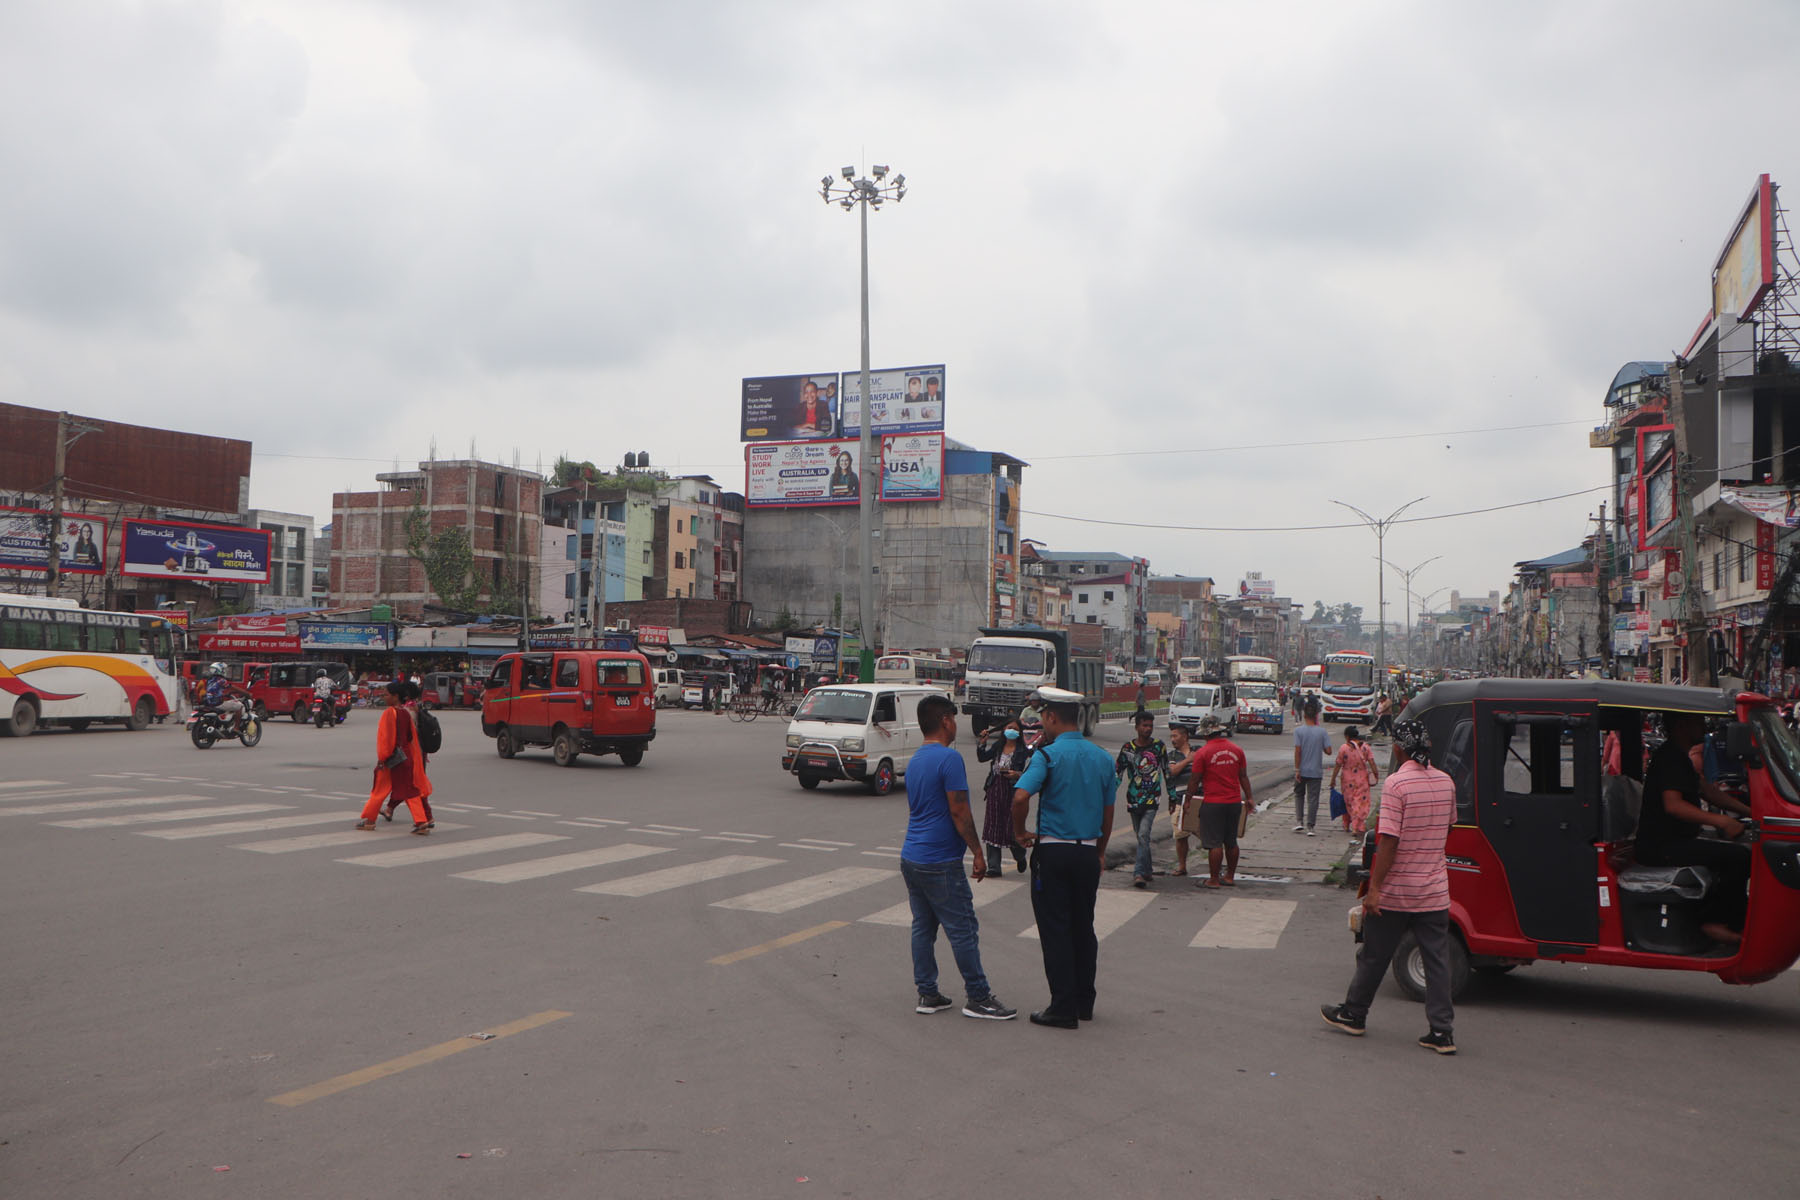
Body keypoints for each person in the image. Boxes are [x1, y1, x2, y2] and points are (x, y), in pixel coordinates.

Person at [1321, 721, 1458, 1054]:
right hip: (1435, 890)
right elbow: (1448, 829)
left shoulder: (1398, 784)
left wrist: (1375, 889)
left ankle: (1354, 1014)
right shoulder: (1446, 782)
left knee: (1374, 955)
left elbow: (1389, 842)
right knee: (1437, 961)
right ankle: (1442, 1033)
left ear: (1398, 748)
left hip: (1397, 890)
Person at [898, 694, 1016, 1021]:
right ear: (946, 721)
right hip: (939, 861)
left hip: (912, 856)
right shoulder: (949, 759)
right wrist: (978, 852)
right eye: (953, 717)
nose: (956, 723)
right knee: (963, 928)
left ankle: (928, 992)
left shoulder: (917, 758)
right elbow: (959, 811)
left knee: (923, 926)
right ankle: (978, 997)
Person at [1011, 686, 1117, 1029]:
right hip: (1086, 852)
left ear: (1053, 717)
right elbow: (1108, 812)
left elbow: (1020, 796)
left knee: (1056, 929)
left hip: (1053, 852)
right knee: (1083, 927)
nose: (1042, 723)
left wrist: (1019, 833)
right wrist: (1100, 852)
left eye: (1043, 717)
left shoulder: (1047, 756)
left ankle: (1062, 1007)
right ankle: (1085, 1002)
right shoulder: (1102, 757)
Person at [1635, 711, 1753, 944]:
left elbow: (1709, 792)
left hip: (1675, 841)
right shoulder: (1670, 758)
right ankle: (1714, 921)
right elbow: (1673, 805)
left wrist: (1751, 812)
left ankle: (1725, 918)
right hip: (1661, 845)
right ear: (1681, 726)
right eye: (1698, 722)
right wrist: (1721, 821)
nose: (1703, 727)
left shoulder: (1680, 759)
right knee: (1738, 857)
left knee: (1732, 852)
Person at [357, 681, 431, 834]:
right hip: (406, 757)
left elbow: (387, 739)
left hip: (392, 758)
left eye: (386, 695)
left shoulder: (390, 713)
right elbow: (411, 737)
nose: (384, 698)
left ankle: (370, 820)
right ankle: (421, 821)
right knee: (410, 790)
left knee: (379, 790)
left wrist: (383, 758)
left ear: (395, 696)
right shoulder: (405, 712)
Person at [1189, 715, 1254, 888]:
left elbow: (1195, 780)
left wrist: (1188, 800)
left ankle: (1213, 880)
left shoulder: (1202, 753)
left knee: (1214, 843)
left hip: (1213, 803)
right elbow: (1243, 777)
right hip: (1234, 803)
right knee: (1231, 841)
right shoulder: (1237, 750)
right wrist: (1249, 798)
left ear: (1205, 734)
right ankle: (1230, 877)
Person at [1115, 711, 1171, 888]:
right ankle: (1147, 870)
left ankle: (1138, 873)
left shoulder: (1159, 747)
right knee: (1142, 838)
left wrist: (1173, 797)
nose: (1148, 729)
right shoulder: (1127, 749)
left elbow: (1166, 772)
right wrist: (1107, 794)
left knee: (1143, 834)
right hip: (1133, 799)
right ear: (1137, 727)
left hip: (1152, 799)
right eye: (1144, 726)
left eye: (1150, 726)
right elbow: (1118, 774)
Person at [976, 719, 1030, 876]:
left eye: (1014, 728)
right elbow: (983, 757)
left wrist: (1018, 774)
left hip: (1013, 792)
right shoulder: (998, 746)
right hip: (995, 789)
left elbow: (1032, 770)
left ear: (1019, 732)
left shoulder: (1023, 750)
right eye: (1008, 727)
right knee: (992, 826)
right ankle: (994, 867)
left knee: (1012, 828)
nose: (1011, 730)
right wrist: (982, 743)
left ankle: (1020, 856)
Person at [380, 682, 436, 827]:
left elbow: (405, 735)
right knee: (408, 784)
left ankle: (425, 817)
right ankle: (390, 809)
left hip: (410, 752)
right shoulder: (416, 706)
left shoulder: (406, 710)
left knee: (413, 785)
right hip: (416, 751)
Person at [1292, 700, 1334, 836]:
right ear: (1316, 715)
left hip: (1302, 770)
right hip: (1316, 771)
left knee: (1299, 795)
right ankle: (1311, 827)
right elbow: (1329, 751)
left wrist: (1297, 769)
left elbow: (1298, 751)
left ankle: (1299, 822)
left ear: (1304, 715)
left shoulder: (1298, 731)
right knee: (1313, 798)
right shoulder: (1322, 732)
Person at [1330, 725, 1379, 837]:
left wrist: (1333, 779)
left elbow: (1338, 765)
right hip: (1362, 779)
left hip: (1348, 780)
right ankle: (1358, 825)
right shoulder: (1366, 747)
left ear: (1347, 736)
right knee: (1361, 802)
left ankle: (1353, 827)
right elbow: (1371, 762)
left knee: (1350, 802)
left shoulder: (1344, 748)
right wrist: (1376, 774)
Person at [1165, 724, 1196, 877]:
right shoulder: (1172, 755)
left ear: (1185, 737)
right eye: (1171, 736)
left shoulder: (1199, 750)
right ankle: (1182, 865)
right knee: (1180, 834)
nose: (1172, 739)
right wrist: (1188, 761)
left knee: (1207, 833)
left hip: (1199, 798)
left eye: (1175, 736)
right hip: (1180, 799)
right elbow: (1173, 771)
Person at [200, 663, 249, 734]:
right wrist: (246, 693)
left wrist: (225, 694)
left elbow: (215, 691)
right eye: (224, 669)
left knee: (229, 704)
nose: (225, 671)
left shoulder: (210, 680)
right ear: (220, 670)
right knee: (240, 706)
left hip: (209, 702)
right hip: (218, 703)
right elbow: (232, 687)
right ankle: (236, 728)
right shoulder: (221, 680)